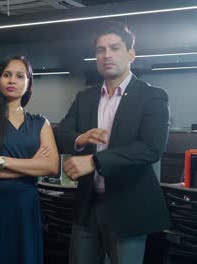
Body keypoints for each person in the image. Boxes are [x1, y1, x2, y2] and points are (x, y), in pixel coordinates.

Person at [55, 22, 170, 264]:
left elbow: (151, 149)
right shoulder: (85, 97)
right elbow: (62, 131)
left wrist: (95, 161)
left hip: (129, 207)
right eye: (100, 50)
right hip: (88, 206)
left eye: (114, 48)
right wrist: (80, 138)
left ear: (130, 54)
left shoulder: (152, 96)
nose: (106, 55)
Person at [0, 56, 59, 264]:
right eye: (6, 75)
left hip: (24, 208)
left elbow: (51, 166)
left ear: (28, 83)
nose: (12, 80)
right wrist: (32, 165)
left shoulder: (41, 123)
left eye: (19, 76)